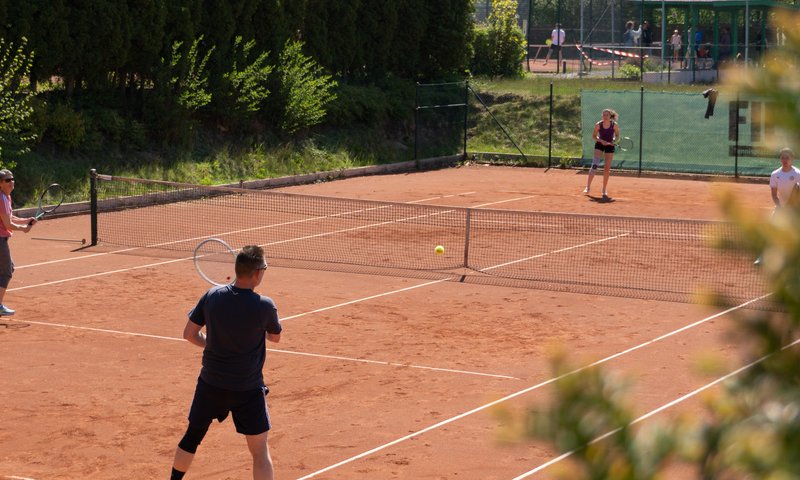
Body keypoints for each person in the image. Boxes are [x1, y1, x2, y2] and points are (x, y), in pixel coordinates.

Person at [171, 245, 282, 480]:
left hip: (211, 385)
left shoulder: (212, 296)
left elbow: (189, 334)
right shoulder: (265, 305)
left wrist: (212, 344)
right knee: (260, 450)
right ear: (257, 273)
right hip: (248, 389)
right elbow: (275, 337)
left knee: (192, 437)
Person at [0, 169, 36, 316]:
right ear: (1, 183)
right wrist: (23, 228)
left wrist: (26, 221)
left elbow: (10, 217)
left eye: (12, 179)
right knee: (7, 271)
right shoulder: (1, 199)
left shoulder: (6, 197)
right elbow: (8, 224)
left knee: (9, 268)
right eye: (7, 180)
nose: (11, 182)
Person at [755, 148, 800, 265]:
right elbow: (774, 195)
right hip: (781, 208)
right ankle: (763, 257)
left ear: (792, 159)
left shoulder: (798, 174)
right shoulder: (775, 174)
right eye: (783, 157)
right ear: (780, 159)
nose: (785, 160)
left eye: (787, 158)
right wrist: (780, 207)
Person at [584, 109, 619, 199]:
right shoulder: (598, 124)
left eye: (606, 115)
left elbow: (617, 135)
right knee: (594, 165)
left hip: (610, 145)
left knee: (607, 168)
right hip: (600, 144)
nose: (605, 117)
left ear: (610, 116)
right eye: (603, 115)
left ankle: (604, 189)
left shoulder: (614, 125)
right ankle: (587, 187)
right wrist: (601, 140)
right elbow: (594, 136)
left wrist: (613, 141)